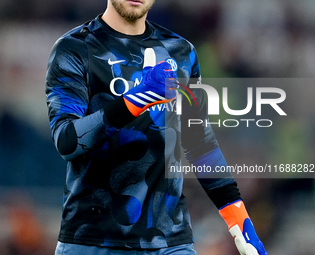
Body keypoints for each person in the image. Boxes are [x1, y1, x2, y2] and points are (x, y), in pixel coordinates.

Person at [45, 0, 268, 254]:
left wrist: (237, 216)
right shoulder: (73, 49)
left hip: (170, 241)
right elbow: (67, 141)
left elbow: (199, 143)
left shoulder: (181, 52)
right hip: (91, 240)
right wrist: (135, 100)